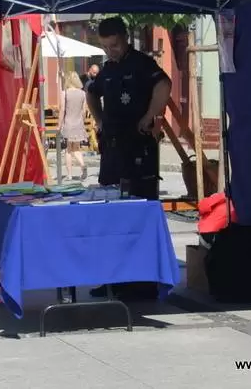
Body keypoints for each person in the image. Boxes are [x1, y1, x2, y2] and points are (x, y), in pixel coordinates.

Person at [86, 16, 171, 300]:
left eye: (114, 45)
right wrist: (99, 121)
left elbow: (164, 85)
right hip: (112, 153)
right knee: (110, 216)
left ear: (125, 38)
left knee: (137, 216)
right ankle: (111, 278)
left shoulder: (142, 64)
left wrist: (150, 116)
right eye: (105, 47)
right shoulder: (108, 70)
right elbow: (91, 93)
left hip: (138, 151)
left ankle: (141, 281)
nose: (110, 51)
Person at [58, 71, 88, 180]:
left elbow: (62, 110)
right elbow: (84, 111)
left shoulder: (64, 93)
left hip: (68, 124)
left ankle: (70, 174)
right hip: (79, 123)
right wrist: (82, 122)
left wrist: (59, 125)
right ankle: (82, 165)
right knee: (76, 148)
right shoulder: (83, 93)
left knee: (69, 150)